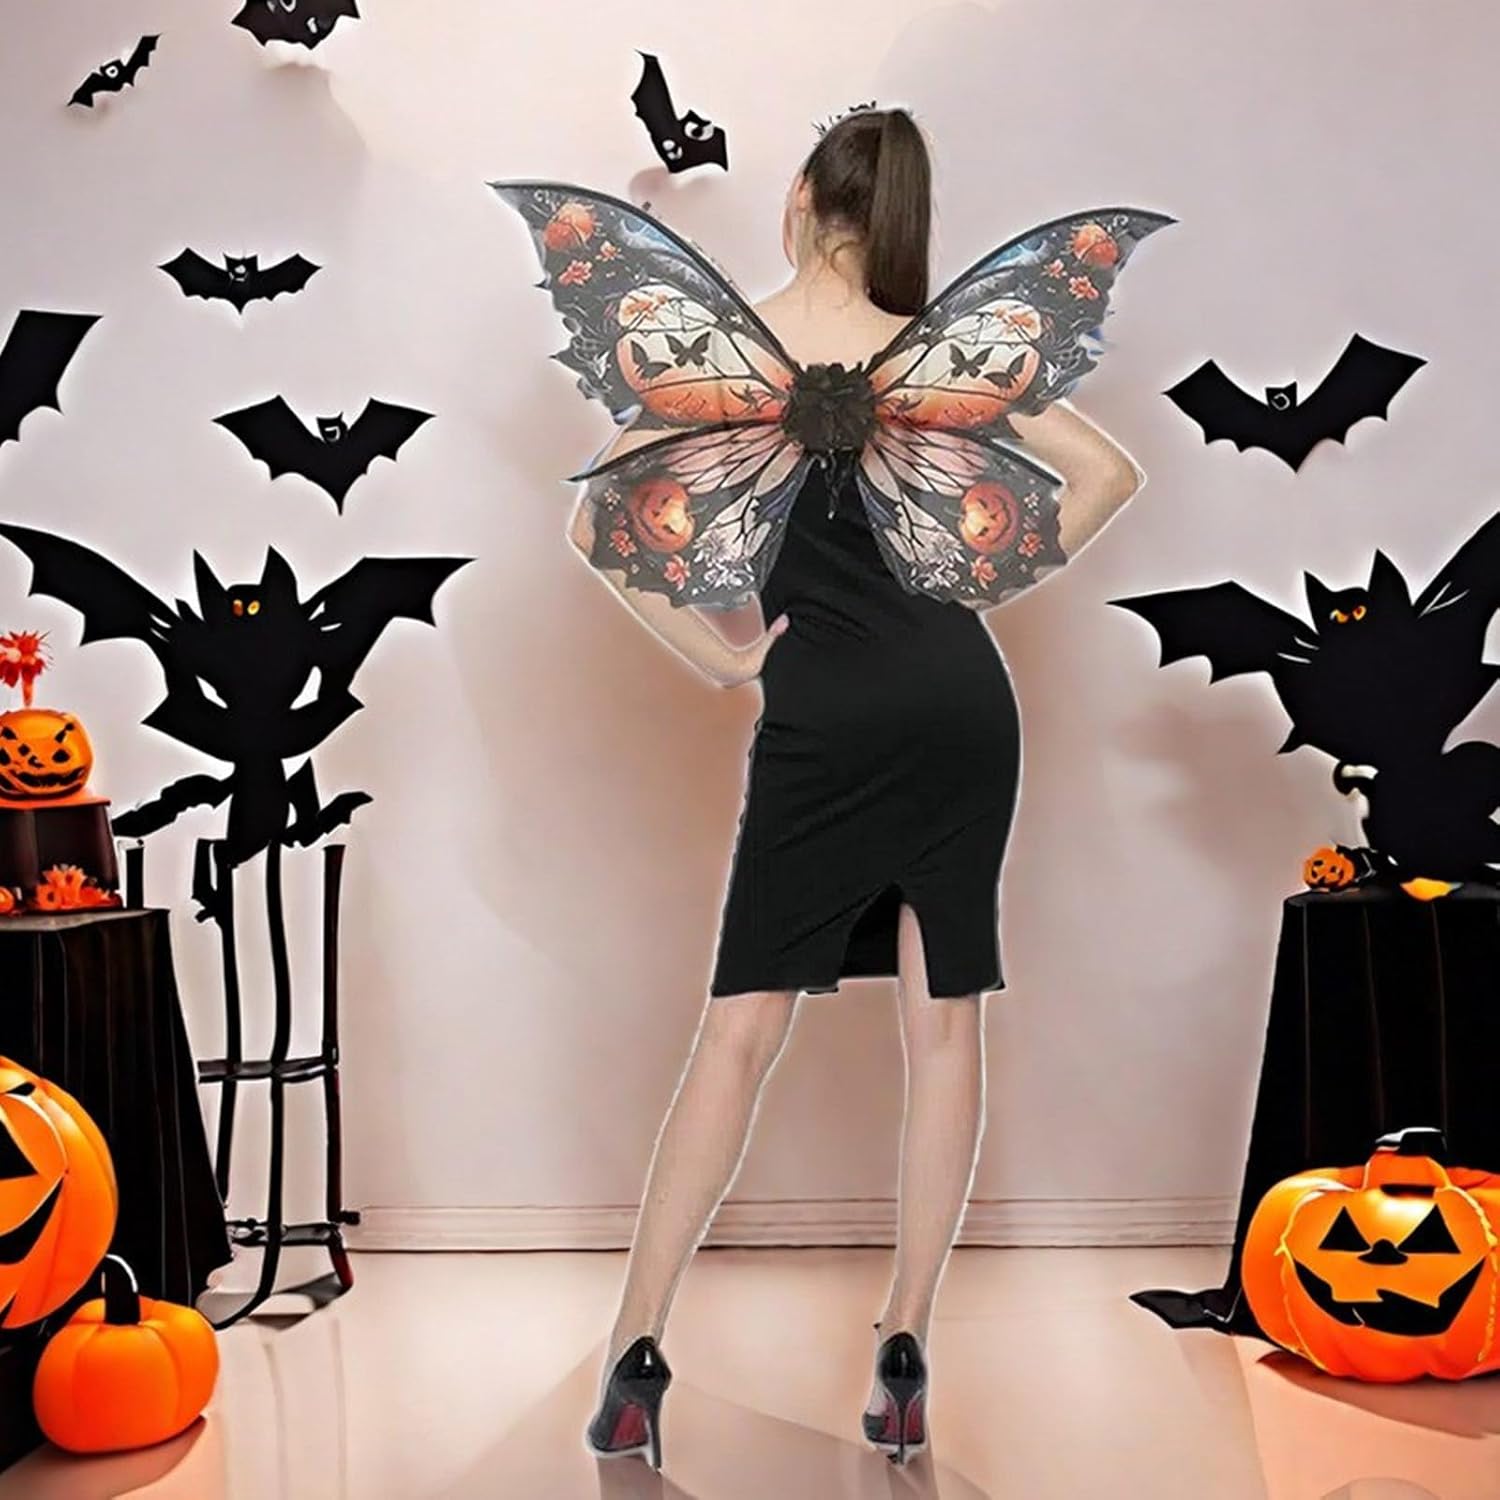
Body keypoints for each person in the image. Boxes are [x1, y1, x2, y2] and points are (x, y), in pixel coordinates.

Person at [525, 107, 1152, 1469]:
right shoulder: (936, 357)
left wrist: (726, 658)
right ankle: (906, 1346)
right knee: (944, 1033)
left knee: (737, 1037)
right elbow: (1109, 473)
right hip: (959, 706)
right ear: (906, 213)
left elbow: (590, 522)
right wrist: (968, 582)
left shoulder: (725, 352)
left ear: (805, 193)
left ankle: (635, 1348)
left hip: (822, 709)